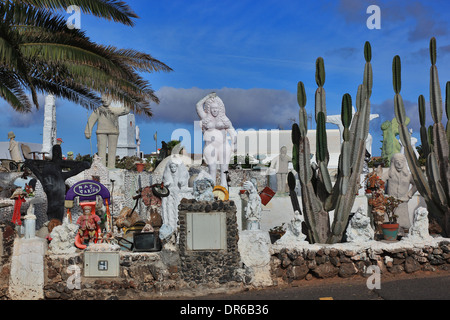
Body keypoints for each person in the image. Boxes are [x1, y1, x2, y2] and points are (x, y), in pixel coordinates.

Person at [196, 93, 237, 188]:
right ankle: (212, 186)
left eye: (216, 108)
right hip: (210, 146)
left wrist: (235, 143)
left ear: (220, 109)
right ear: (209, 109)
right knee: (212, 169)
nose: (215, 110)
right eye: (212, 108)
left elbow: (232, 131)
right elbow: (198, 105)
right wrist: (207, 97)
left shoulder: (224, 119)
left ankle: (224, 186)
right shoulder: (205, 117)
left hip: (223, 145)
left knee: (224, 168)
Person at [85, 95, 130, 168]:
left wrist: (126, 99)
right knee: (101, 150)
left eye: (107, 99)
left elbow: (127, 110)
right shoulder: (98, 110)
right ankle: (101, 167)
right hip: (101, 132)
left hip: (113, 132)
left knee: (112, 150)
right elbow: (91, 120)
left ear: (111, 99)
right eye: (103, 99)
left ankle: (111, 166)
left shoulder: (115, 110)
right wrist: (88, 131)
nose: (105, 101)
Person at [382, 153, 417, 229]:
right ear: (393, 162)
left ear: (404, 162)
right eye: (397, 161)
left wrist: (409, 195)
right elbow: (380, 181)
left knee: (404, 223)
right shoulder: (389, 173)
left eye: (401, 161)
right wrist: (383, 194)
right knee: (389, 221)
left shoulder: (408, 175)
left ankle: (403, 231)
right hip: (391, 201)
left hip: (403, 201)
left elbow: (416, 185)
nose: (399, 163)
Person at [161, 158, 190, 233]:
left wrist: (182, 182)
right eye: (171, 167)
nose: (173, 169)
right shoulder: (168, 174)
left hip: (179, 195)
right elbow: (165, 183)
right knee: (170, 214)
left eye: (174, 167)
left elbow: (184, 182)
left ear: (177, 167)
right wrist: (167, 183)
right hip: (171, 195)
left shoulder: (181, 174)